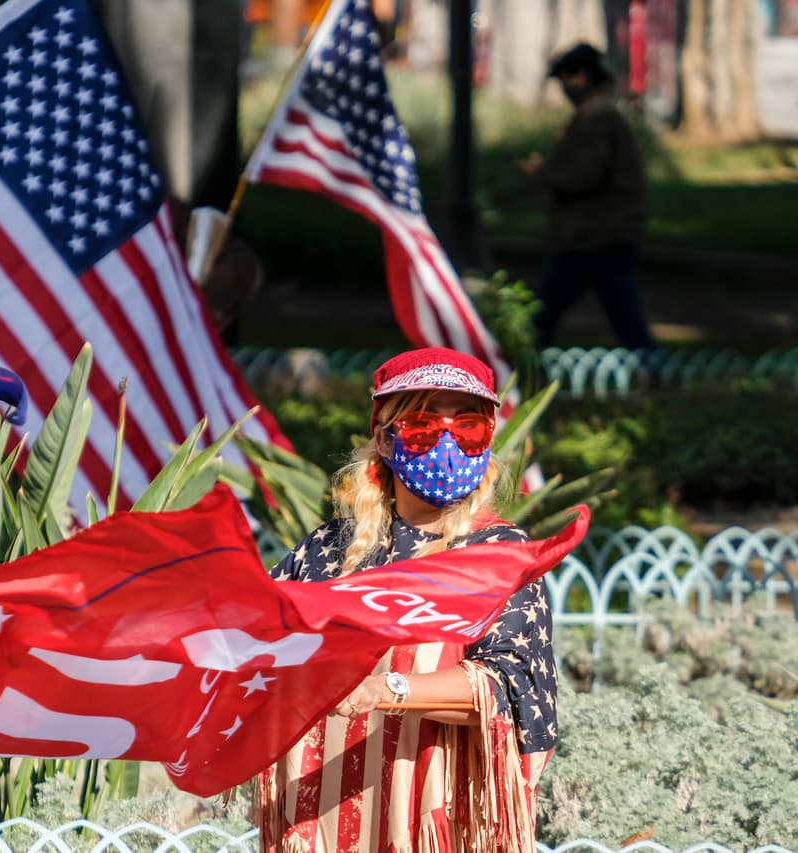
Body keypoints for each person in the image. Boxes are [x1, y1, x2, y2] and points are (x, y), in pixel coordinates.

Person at [258, 347, 556, 853]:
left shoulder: (499, 555)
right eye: (421, 427)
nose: (447, 443)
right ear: (384, 440)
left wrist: (383, 690)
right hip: (322, 824)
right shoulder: (326, 553)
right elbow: (256, 642)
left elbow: (508, 691)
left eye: (468, 428)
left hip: (438, 826)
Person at [518, 42, 657, 352]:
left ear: (581, 76)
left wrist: (542, 172)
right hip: (602, 235)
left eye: (565, 78)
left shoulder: (597, 120)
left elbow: (582, 176)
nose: (564, 88)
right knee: (623, 315)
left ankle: (522, 374)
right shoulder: (601, 116)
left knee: (544, 317)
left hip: (592, 238)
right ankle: (651, 367)